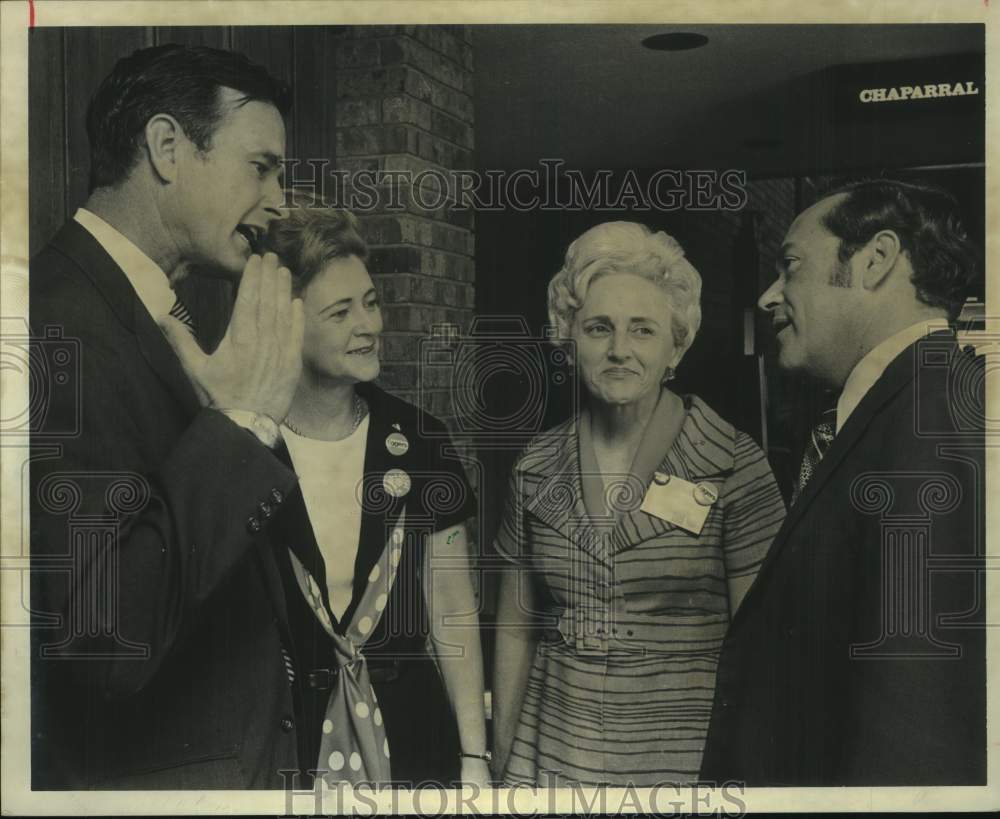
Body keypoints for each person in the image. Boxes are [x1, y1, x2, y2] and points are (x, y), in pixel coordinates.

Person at [30, 44, 305, 788]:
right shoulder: (51, 323)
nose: (280, 201)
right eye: (261, 167)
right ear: (166, 148)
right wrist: (240, 423)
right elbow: (103, 637)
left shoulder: (143, 312)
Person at [700, 179, 986, 785]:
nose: (769, 295)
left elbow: (917, 723)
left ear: (875, 260)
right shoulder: (908, 405)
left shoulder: (930, 424)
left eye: (791, 266)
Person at [491, 221, 786, 786]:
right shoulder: (536, 466)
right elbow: (515, 630)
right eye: (598, 328)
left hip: (685, 768)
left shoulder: (733, 463)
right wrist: (505, 763)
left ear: (677, 344)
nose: (619, 350)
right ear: (569, 338)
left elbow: (764, 648)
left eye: (643, 330)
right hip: (553, 760)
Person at [262, 202, 490, 787]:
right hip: (282, 740)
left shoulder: (421, 441)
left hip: (413, 739)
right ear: (287, 322)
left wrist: (474, 758)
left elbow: (452, 609)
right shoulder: (247, 445)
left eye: (371, 302)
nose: (369, 325)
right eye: (341, 312)